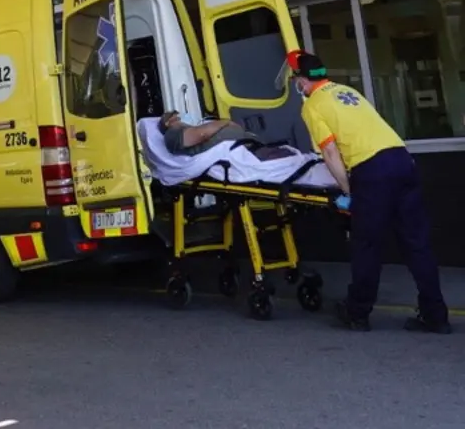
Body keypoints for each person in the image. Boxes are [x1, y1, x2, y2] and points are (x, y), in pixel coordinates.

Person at [287, 50, 450, 334]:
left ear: (301, 80)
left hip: (373, 171)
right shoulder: (347, 91)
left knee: (367, 244)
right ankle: (435, 314)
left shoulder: (313, 105)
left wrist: (349, 190)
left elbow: (329, 151)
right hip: (403, 161)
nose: (295, 85)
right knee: (417, 244)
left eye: (295, 79)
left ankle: (357, 311)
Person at [158, 111, 294, 160]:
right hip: (245, 154)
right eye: (178, 117)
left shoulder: (183, 130)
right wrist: (226, 123)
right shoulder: (171, 135)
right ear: (170, 122)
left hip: (248, 148)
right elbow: (202, 133)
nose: (181, 118)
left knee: (288, 156)